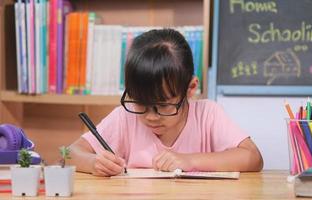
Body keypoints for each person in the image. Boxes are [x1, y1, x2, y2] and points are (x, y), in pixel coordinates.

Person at [68, 28, 263, 176]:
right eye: (141, 104)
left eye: (163, 105)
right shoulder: (125, 117)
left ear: (190, 88)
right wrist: (93, 163)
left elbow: (253, 158)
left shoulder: (207, 114)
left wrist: (189, 161)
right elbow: (70, 154)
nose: (151, 117)